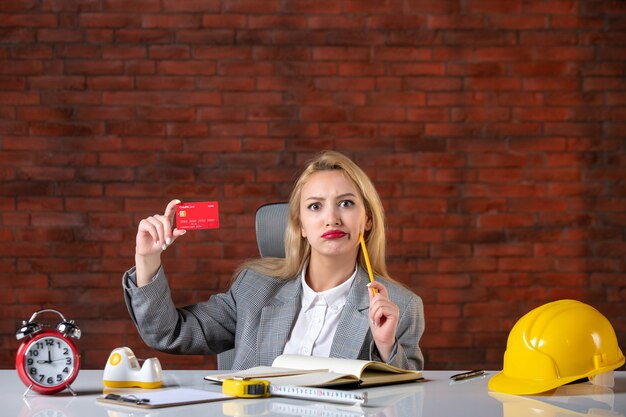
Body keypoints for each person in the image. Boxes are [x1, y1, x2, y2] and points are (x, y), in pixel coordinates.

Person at [123, 151, 425, 370]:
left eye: (346, 203)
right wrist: (147, 260)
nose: (331, 219)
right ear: (300, 226)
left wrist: (386, 348)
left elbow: (410, 400)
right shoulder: (255, 288)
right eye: (315, 206)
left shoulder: (401, 305)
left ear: (367, 219)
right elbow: (169, 333)